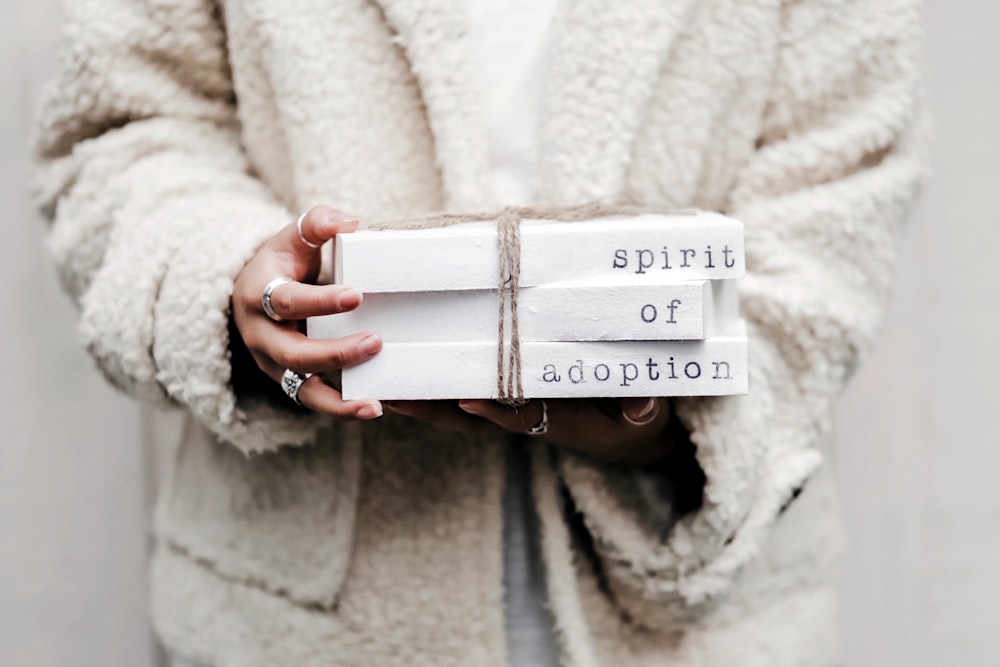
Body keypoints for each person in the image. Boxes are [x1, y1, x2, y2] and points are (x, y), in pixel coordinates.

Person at [32, 0, 927, 665]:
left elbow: (837, 190)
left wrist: (683, 422)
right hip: (295, 612)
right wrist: (228, 282)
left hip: (705, 619)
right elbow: (123, 124)